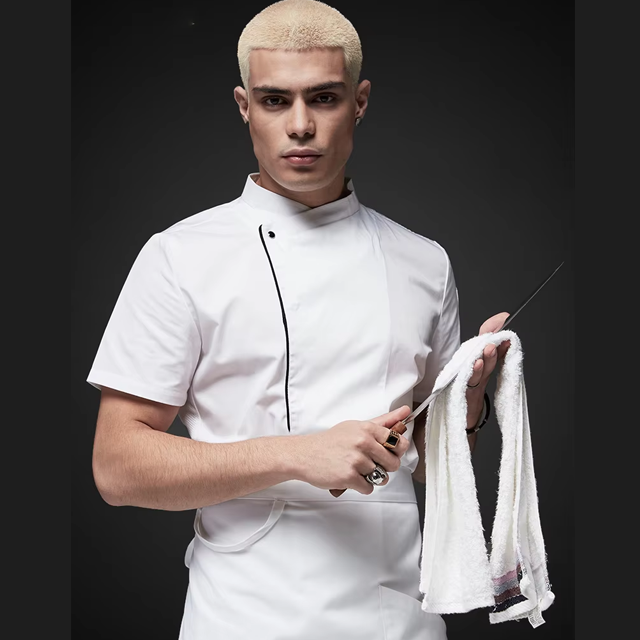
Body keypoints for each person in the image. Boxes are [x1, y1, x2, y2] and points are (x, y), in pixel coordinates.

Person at [86, 1, 509, 638]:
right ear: (244, 106)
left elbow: (428, 463)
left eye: (325, 98)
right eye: (275, 101)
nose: (301, 125)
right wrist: (299, 454)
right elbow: (117, 467)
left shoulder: (425, 261)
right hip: (243, 614)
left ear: (359, 102)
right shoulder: (179, 256)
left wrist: (468, 404)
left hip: (396, 616)